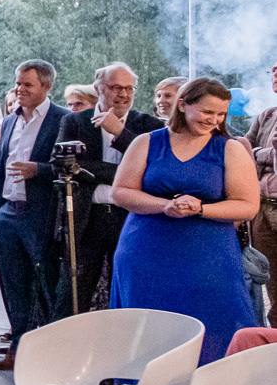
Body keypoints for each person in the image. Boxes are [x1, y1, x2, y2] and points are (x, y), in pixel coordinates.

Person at [109, 76, 258, 366]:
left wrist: (200, 209)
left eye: (221, 114)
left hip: (209, 258)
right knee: (148, 326)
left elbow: (247, 206)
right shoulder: (146, 142)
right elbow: (121, 192)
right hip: (146, 253)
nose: (214, 120)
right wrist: (165, 206)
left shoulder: (230, 148)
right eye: (207, 111)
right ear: (183, 105)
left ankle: (210, 384)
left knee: (214, 324)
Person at [51, 63, 161, 316]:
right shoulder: (75, 121)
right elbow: (61, 165)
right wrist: (125, 173)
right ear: (98, 88)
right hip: (85, 218)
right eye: (115, 87)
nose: (123, 94)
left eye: (129, 88)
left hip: (130, 219)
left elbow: (153, 168)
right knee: (72, 293)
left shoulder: (148, 125)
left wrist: (120, 133)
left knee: (125, 290)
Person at [0, 60, 61, 372]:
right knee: (13, 286)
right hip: (7, 214)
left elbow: (74, 168)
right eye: (17, 83)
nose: (19, 89)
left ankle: (53, 356)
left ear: (46, 86)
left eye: (27, 84)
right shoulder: (10, 120)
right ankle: (17, 351)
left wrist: (38, 170)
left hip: (41, 217)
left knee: (49, 286)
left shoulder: (63, 120)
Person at [246, 62, 277, 324]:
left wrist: (257, 155)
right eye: (274, 70)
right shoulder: (266, 116)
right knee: (271, 281)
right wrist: (266, 154)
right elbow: (242, 152)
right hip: (262, 208)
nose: (275, 74)